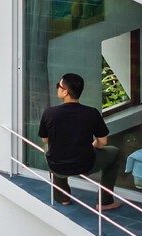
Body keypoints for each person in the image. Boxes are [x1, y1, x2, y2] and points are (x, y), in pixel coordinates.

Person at [38, 73, 122, 211]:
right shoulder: (92, 113)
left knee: (49, 148)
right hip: (86, 164)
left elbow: (45, 139)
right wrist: (93, 146)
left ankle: (62, 197)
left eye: (58, 86)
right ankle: (105, 201)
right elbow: (102, 142)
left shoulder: (50, 113)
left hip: (59, 164)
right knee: (116, 153)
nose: (57, 88)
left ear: (65, 92)